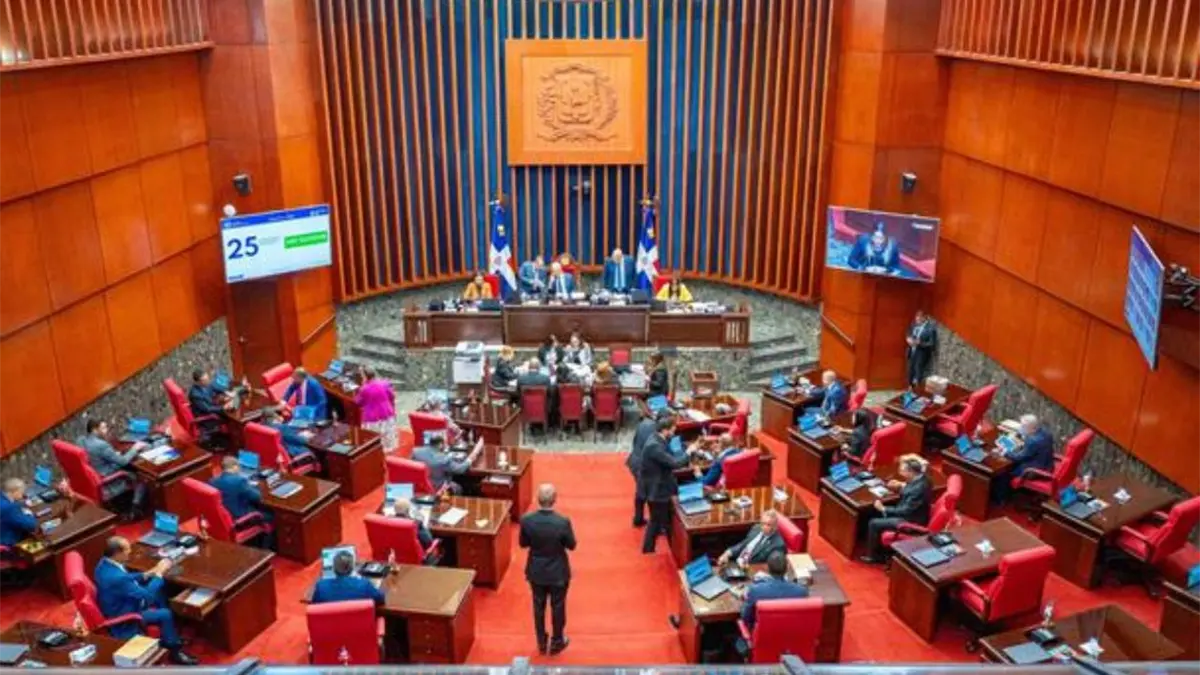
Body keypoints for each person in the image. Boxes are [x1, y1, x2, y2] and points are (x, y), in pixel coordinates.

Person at [95, 537, 198, 664]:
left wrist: (147, 574)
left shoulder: (103, 564)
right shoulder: (117, 578)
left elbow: (126, 577)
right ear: (117, 553)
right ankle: (174, 651)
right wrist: (159, 572)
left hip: (118, 600)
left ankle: (170, 636)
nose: (130, 551)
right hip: (125, 614)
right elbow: (147, 595)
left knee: (160, 594)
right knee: (165, 613)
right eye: (127, 550)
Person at [520, 483, 576, 656]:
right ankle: (557, 641)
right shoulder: (562, 522)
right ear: (554, 500)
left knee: (538, 606)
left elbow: (523, 544)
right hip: (558, 571)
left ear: (538, 499)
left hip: (536, 571)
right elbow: (571, 545)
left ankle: (541, 642)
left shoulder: (527, 520)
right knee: (558, 606)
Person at [860, 455, 933, 564]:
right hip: (914, 512)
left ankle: (874, 557)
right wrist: (902, 485)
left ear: (911, 472)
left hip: (910, 521)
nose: (900, 472)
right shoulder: (923, 478)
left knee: (873, 522)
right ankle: (870, 541)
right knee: (873, 512)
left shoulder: (918, 490)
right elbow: (912, 487)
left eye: (902, 471)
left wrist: (884, 508)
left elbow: (905, 511)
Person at [639, 417, 691, 553]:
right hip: (658, 491)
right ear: (665, 430)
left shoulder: (657, 439)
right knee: (656, 522)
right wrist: (689, 453)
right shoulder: (655, 446)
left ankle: (653, 548)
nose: (674, 434)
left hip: (660, 487)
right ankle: (648, 549)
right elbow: (674, 464)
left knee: (661, 521)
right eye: (672, 430)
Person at [77, 419, 146, 512]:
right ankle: (135, 508)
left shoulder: (82, 441)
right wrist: (135, 449)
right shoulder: (101, 445)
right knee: (141, 476)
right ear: (94, 429)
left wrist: (113, 455)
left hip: (97, 473)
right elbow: (123, 461)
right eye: (104, 428)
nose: (106, 431)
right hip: (109, 478)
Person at [209, 456, 272, 548]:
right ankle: (267, 547)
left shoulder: (212, 481)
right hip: (240, 517)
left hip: (226, 517)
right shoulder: (239, 481)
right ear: (235, 467)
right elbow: (258, 497)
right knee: (271, 515)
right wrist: (255, 487)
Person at [741, 550, 809, 630]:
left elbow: (745, 618)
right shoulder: (801, 592)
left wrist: (746, 599)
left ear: (767, 568)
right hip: (791, 635)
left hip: (764, 638)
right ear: (787, 568)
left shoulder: (755, 590)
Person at [994, 415, 1055, 503]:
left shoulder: (1032, 441)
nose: (1020, 428)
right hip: (1048, 465)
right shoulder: (1046, 433)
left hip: (1033, 471)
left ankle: (1001, 498)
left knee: (1004, 470)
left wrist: (1004, 452)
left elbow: (1018, 458)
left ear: (1032, 428)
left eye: (1023, 426)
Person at [626, 411, 664, 527]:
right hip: (642, 465)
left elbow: (634, 441)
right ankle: (655, 524)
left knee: (641, 491)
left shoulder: (644, 423)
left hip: (634, 459)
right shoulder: (656, 434)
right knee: (651, 492)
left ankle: (638, 518)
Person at [411, 435, 483, 494]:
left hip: (417, 487)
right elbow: (460, 469)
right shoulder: (443, 459)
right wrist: (470, 458)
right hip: (437, 489)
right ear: (440, 444)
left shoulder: (415, 451)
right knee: (458, 488)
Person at [311, 550, 385, 605]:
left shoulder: (321, 586)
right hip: (359, 625)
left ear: (333, 568)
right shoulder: (364, 585)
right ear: (351, 568)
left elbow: (314, 605)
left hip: (331, 625)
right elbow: (381, 598)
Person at [718, 509, 787, 566]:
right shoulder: (756, 528)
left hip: (750, 570)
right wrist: (727, 553)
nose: (764, 527)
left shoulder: (778, 545)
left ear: (775, 526)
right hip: (737, 562)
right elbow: (743, 544)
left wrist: (747, 568)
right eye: (762, 523)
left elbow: (769, 567)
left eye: (768, 525)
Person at [355, 366, 398, 452]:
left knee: (375, 440)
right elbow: (392, 396)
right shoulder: (385, 384)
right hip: (387, 414)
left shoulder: (364, 389)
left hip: (372, 418)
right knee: (388, 438)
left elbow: (358, 402)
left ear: (365, 376)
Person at [187, 369, 232, 445]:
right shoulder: (195, 394)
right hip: (206, 417)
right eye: (205, 380)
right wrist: (222, 408)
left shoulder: (205, 385)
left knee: (229, 408)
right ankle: (234, 435)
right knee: (229, 413)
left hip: (212, 406)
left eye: (207, 379)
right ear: (198, 382)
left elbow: (214, 388)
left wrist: (226, 392)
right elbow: (207, 409)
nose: (207, 381)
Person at [0, 478, 37, 548]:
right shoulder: (10, 508)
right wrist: (29, 514)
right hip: (6, 542)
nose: (23, 494)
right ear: (15, 492)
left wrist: (21, 504)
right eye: (22, 492)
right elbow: (31, 525)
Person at [906, 310, 937, 387]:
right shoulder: (914, 325)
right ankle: (910, 389)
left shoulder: (930, 329)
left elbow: (932, 344)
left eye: (919, 318)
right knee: (910, 372)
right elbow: (909, 333)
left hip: (921, 354)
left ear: (924, 318)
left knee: (918, 373)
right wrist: (908, 339)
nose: (917, 320)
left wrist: (920, 343)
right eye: (916, 318)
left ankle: (917, 391)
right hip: (912, 352)